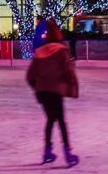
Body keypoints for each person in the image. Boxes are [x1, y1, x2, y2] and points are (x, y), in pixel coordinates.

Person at [27, 19, 79, 168]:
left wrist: (38, 87)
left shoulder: (39, 52)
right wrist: (71, 86)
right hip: (55, 91)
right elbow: (68, 71)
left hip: (42, 92)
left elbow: (30, 76)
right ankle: (68, 154)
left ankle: (47, 152)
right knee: (61, 121)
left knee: (50, 119)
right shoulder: (62, 50)